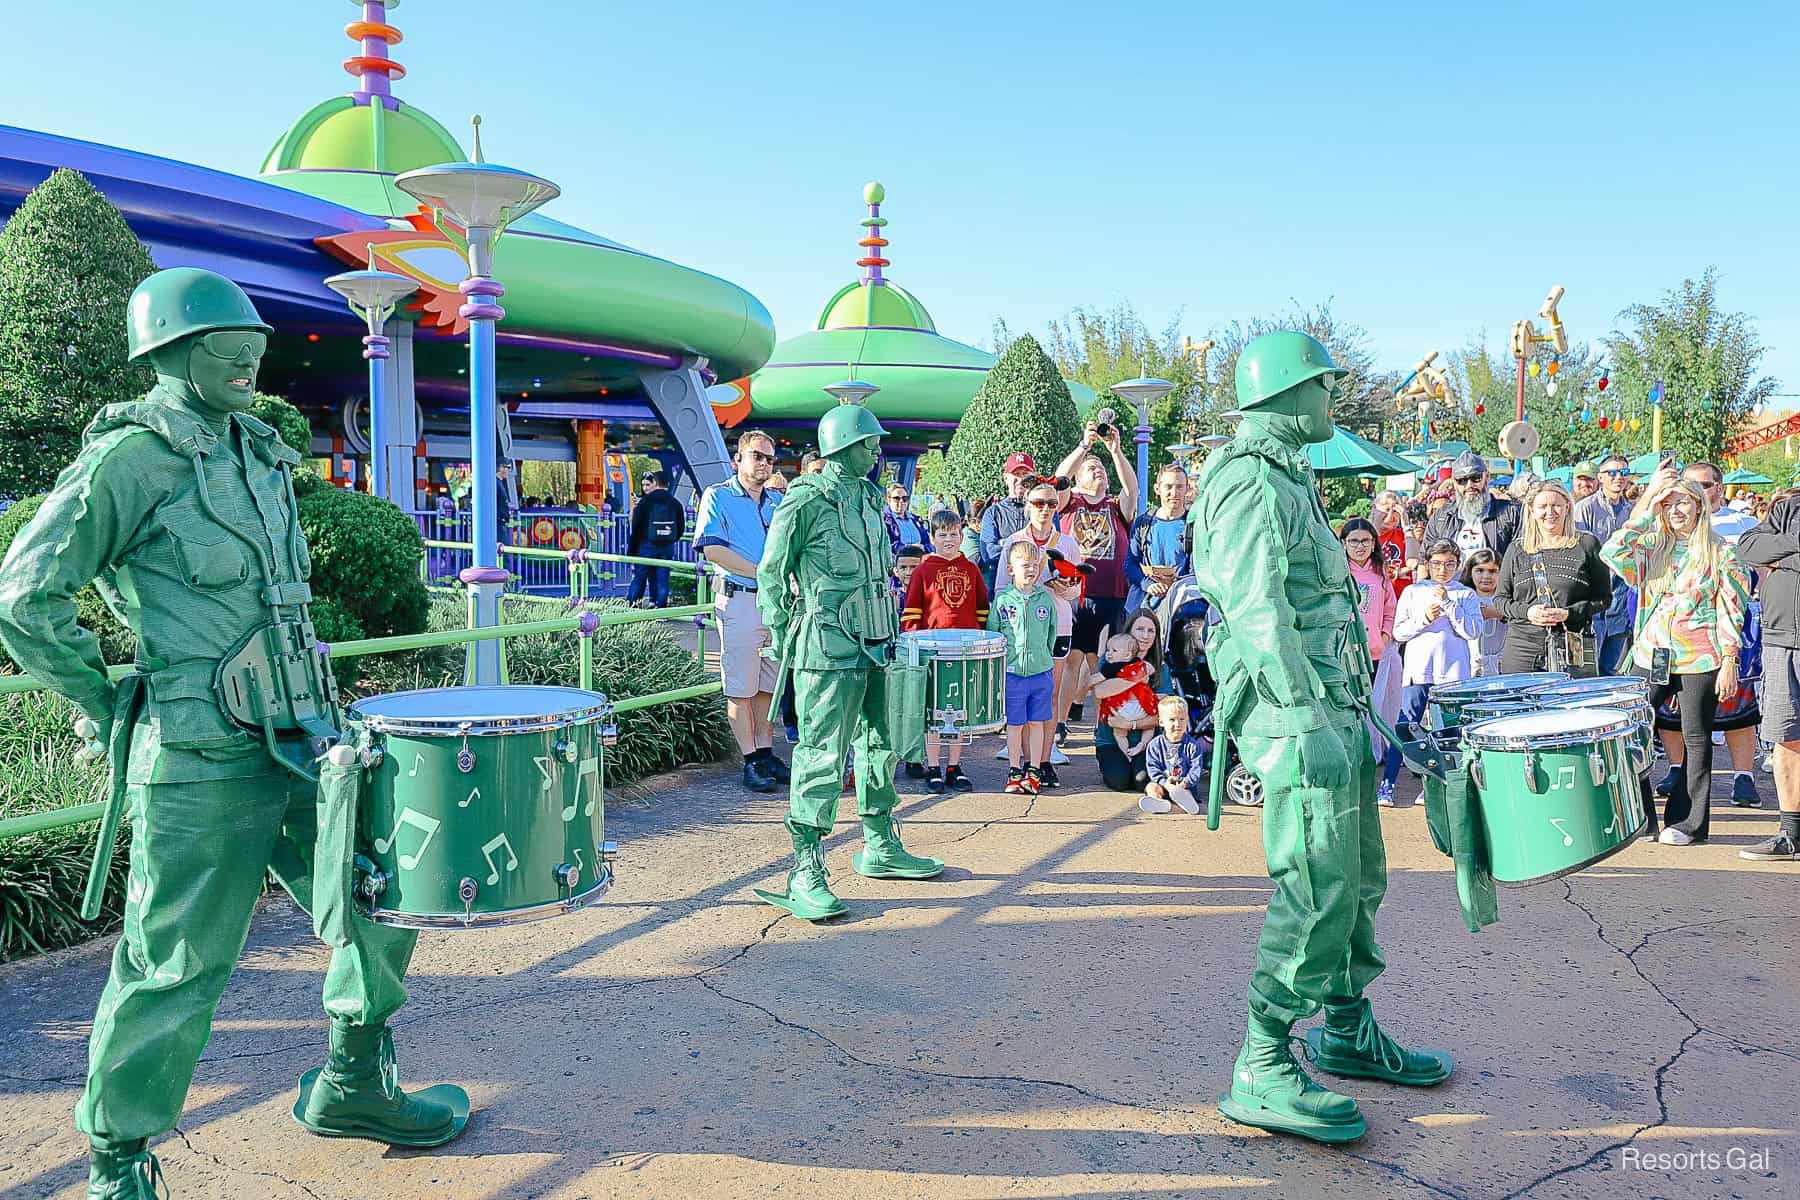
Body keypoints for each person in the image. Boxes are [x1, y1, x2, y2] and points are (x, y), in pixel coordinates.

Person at [0, 269, 468, 1197]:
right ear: (169, 350)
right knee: (177, 964)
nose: (248, 357)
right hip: (199, 758)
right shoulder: (130, 460)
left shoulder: (255, 448)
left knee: (380, 902)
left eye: (252, 342)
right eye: (225, 342)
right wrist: (103, 702)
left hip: (307, 736)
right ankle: (119, 1159)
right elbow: (24, 597)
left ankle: (353, 1084)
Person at [1190, 331, 1449, 1144]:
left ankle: (1344, 1026)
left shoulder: (1289, 477)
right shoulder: (1248, 481)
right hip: (1294, 713)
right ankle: (1262, 1061)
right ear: (1285, 396)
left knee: (1357, 876)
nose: (1331, 400)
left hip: (1331, 705)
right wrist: (1305, 714)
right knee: (1314, 883)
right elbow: (1257, 608)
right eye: (1322, 386)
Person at [753, 400, 945, 921]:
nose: (878, 451)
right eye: (869, 443)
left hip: (878, 637)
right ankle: (805, 869)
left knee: (881, 743)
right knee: (820, 754)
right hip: (826, 644)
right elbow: (771, 572)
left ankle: (880, 845)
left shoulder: (869, 496)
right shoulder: (803, 500)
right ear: (843, 447)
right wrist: (778, 627)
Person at [1601, 468, 1750, 846]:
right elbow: (1612, 551)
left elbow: (1731, 610)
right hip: (1651, 653)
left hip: (1700, 657)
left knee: (1696, 739)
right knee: (1631, 730)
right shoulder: (1653, 546)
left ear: (1700, 505)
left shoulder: (1721, 551)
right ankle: (1640, 817)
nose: (1676, 509)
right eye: (1669, 504)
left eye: (1683, 501)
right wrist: (1649, 503)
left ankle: (1689, 823)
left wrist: (1730, 659)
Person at [694, 429, 787, 793]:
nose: (764, 463)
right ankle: (749, 760)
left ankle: (764, 752)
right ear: (739, 459)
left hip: (773, 604)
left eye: (769, 458)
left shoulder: (777, 501)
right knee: (740, 687)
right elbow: (713, 550)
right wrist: (763, 573)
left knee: (768, 684)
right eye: (757, 456)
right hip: (741, 599)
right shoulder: (718, 496)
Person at [1669, 461, 1763, 807]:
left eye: (1705, 485)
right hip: (1682, 632)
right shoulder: (1672, 525)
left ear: (1719, 488)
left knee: (1737, 703)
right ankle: (1676, 768)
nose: (1697, 492)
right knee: (1674, 707)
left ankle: (1743, 776)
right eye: (1688, 486)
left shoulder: (1745, 525)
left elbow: (1762, 572)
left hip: (1730, 625)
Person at [1054, 424, 1139, 745]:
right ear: (1079, 478)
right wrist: (1084, 447)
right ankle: (1060, 723)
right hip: (1073, 595)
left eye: (1101, 468)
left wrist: (1115, 451)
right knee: (1071, 661)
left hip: (1111, 595)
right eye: (1091, 468)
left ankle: (1103, 725)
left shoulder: (1116, 506)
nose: (1098, 471)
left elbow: (1132, 488)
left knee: (1103, 663)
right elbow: (1059, 479)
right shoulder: (1069, 502)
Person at [1383, 541, 1484, 802]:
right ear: (1427, 564)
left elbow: (1472, 631)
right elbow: (1399, 632)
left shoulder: (1466, 594)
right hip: (1418, 671)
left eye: (1449, 563)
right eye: (1437, 563)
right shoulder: (1413, 592)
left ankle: (1435, 789)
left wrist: (1449, 606)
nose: (1442, 569)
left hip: (1453, 676)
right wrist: (1425, 618)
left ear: (1458, 564)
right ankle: (1387, 783)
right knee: (1406, 726)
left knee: (1446, 734)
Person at [996, 480, 1084, 776]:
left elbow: (1077, 593)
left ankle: (1043, 760)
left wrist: (1065, 586)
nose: (1045, 509)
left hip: (1057, 624)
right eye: (1038, 503)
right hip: (1020, 631)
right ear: (1027, 506)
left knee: (1050, 693)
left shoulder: (1067, 543)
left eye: (1051, 504)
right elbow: (1000, 588)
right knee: (1020, 695)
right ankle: (1020, 761)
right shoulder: (1014, 543)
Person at [902, 509, 991, 792]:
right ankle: (933, 768)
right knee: (934, 712)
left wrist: (978, 640)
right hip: (933, 650)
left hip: (963, 649)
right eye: (943, 535)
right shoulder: (923, 570)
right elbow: (912, 611)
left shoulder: (971, 568)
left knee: (959, 711)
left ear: (962, 535)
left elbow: (981, 609)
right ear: (932, 538)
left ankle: (954, 766)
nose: (949, 540)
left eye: (954, 534)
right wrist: (913, 647)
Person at [1735, 494, 1800, 861]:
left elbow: (1765, 551)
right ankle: (1791, 834)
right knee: (1786, 736)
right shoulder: (1790, 508)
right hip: (1782, 639)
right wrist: (1794, 544)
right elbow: (1749, 547)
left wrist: (1782, 558)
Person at [1495, 481, 1612, 674]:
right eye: (1542, 507)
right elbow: (1500, 600)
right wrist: (1528, 612)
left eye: (1556, 505)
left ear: (1567, 506)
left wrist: (1569, 613)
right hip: (1523, 647)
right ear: (1531, 510)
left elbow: (1604, 599)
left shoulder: (1586, 544)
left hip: (1572, 643)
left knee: (1570, 704)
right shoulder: (1517, 549)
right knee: (1521, 703)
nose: (1550, 512)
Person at [990, 541, 1059, 795]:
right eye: (1024, 565)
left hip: (1040, 672)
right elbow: (994, 634)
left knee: (1038, 722)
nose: (1030, 570)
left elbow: (1051, 634)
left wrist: (1043, 658)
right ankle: (1015, 769)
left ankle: (1034, 768)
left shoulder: (1045, 600)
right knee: (1016, 724)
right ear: (1011, 569)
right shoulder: (1002, 600)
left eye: (1034, 565)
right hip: (1013, 673)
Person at [1341, 518, 1401, 802]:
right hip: (1344, 651)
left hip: (1374, 650)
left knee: (1370, 706)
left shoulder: (1380, 574)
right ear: (1343, 544)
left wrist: (1386, 634)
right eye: (1353, 541)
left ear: (1374, 543)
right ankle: (1348, 759)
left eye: (1365, 540)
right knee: (1347, 706)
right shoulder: (1338, 572)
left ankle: (1369, 760)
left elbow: (1390, 607)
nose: (1360, 546)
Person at [1574, 453, 1639, 675]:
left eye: (1623, 472)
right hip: (1593, 597)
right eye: (1612, 472)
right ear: (1600, 477)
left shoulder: (1632, 511)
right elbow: (1579, 552)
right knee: (1585, 668)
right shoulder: (1585, 508)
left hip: (1621, 597)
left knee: (1612, 668)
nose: (1618, 477)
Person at [1423, 451, 1521, 563]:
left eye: (1476, 478)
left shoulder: (1511, 513)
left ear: (1487, 477)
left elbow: (1520, 559)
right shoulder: (1441, 516)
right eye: (1462, 480)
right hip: (1451, 580)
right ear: (1454, 482)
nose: (1469, 485)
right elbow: (1424, 560)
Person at [1125, 463, 1191, 613]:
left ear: (1187, 489)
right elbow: (1130, 565)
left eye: (1179, 487)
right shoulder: (1143, 523)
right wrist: (1148, 584)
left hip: (1180, 609)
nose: (1174, 493)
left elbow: (1197, 569)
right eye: (1168, 487)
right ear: (1157, 489)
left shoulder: (1193, 525)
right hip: (1143, 608)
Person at [1092, 631, 1161, 760]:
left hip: (1121, 709)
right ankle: (1142, 744)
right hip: (1141, 706)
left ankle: (1127, 753)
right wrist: (1138, 677)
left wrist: (1089, 682)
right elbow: (1150, 669)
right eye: (1108, 650)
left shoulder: (1109, 667)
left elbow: (1096, 681)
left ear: (1127, 654)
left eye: (1114, 650)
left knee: (1119, 734)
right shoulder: (1139, 663)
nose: (1109, 653)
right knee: (1149, 729)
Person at [626, 470, 685, 609]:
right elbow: (680, 528)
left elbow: (637, 528)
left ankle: (631, 605)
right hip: (667, 546)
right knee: (662, 577)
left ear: (655, 483)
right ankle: (660, 607)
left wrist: (632, 550)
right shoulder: (675, 503)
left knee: (640, 576)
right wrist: (670, 539)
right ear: (668, 484)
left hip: (646, 545)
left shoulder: (645, 502)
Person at [1141, 694, 1206, 814]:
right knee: (1151, 787)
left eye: (1182, 719)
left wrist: (1186, 782)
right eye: (1172, 719)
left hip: (1184, 786)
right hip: (1164, 784)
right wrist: (1164, 783)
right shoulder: (1154, 745)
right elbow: (1153, 768)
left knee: (1184, 793)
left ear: (1187, 719)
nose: (1177, 724)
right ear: (1161, 722)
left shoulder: (1192, 745)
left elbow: (1196, 768)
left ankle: (1180, 805)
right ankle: (1158, 802)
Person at [978, 452, 1038, 579]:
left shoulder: (1044, 509)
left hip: (1038, 585)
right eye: (1016, 474)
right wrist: (1030, 552)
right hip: (1003, 585)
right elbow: (989, 554)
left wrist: (1004, 544)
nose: (1021, 479)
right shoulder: (993, 513)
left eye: (1025, 474)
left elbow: (1052, 548)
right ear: (1006, 478)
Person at [1459, 548, 1506, 676]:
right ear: (1470, 572)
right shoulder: (1462, 598)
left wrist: (1499, 613)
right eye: (1479, 570)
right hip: (1470, 667)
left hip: (1502, 667)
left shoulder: (1508, 600)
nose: (1486, 576)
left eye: (1492, 571)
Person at [1371, 490, 1408, 597]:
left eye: (1396, 511)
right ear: (1375, 508)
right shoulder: (1364, 536)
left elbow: (1417, 561)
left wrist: (1406, 524)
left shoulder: (1405, 536)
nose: (1391, 515)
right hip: (1373, 599)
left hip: (1400, 601)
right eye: (1387, 509)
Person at [1124, 607, 1169, 692]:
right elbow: (1099, 693)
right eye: (1140, 629)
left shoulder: (1162, 667)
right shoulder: (1110, 657)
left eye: (1151, 631)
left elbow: (1162, 702)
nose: (1145, 636)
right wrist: (1140, 674)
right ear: (1129, 630)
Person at [883, 482, 929, 554]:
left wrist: (925, 548)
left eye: (904, 498)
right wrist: (910, 549)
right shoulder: (884, 521)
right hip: (898, 562)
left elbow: (927, 542)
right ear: (888, 500)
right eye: (896, 498)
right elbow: (887, 545)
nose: (901, 501)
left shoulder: (916, 520)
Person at [892, 543, 925, 609]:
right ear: (896, 571)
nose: (908, 572)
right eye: (903, 568)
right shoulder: (892, 599)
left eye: (914, 567)